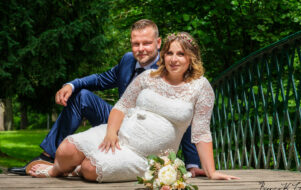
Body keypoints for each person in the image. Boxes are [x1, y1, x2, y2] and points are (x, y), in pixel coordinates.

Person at [27, 32, 239, 182]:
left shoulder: (201, 87)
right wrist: (111, 133)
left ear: (191, 58)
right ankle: (56, 169)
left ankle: (78, 170)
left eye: (181, 54)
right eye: (170, 53)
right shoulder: (149, 76)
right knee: (65, 150)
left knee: (92, 169)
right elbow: (121, 106)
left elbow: (201, 132)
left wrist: (209, 171)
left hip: (145, 155)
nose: (174, 59)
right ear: (163, 55)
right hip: (120, 134)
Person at [8, 19, 203, 177]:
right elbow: (101, 79)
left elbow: (184, 118)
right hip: (118, 122)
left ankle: (82, 165)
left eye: (147, 43)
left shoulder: (171, 67)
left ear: (158, 43)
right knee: (82, 96)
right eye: (136, 43)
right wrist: (71, 84)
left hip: (146, 137)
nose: (141, 48)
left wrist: (193, 163)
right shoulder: (127, 60)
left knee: (94, 167)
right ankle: (48, 156)